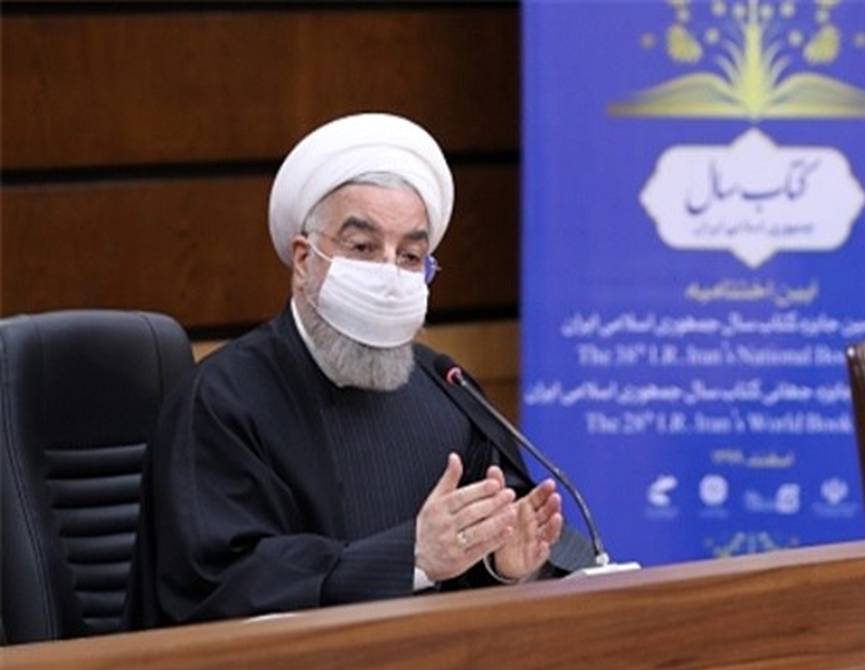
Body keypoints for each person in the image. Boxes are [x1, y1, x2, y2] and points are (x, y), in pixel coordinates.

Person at [125, 113, 593, 627]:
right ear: (303, 259)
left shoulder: (446, 389)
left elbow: (490, 547)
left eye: (410, 255)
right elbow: (224, 584)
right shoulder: (220, 400)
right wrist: (410, 558)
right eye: (363, 248)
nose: (389, 274)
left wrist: (504, 566)